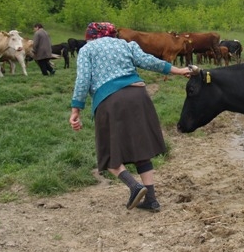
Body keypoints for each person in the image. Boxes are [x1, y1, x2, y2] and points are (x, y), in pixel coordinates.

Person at [69, 22, 191, 212]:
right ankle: (151, 199)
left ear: (90, 36)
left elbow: (83, 79)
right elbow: (151, 62)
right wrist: (180, 70)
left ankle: (135, 187)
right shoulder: (126, 44)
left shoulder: (88, 49)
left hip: (111, 101)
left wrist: (76, 109)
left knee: (108, 152)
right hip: (138, 96)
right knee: (141, 149)